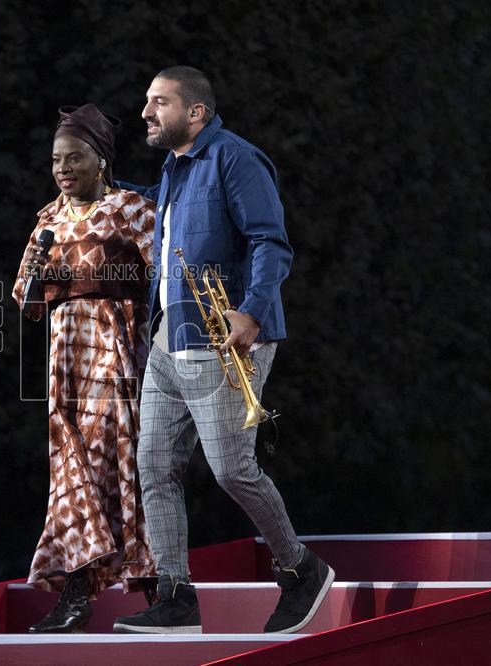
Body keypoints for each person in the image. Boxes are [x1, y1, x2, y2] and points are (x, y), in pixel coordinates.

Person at [112, 67, 334, 635]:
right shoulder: (174, 166)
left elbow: (270, 241)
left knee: (233, 470)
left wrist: (253, 310)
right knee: (154, 466)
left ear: (196, 113)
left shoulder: (238, 159)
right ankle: (176, 597)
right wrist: (107, 188)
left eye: (158, 102)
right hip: (170, 341)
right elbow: (162, 209)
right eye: (146, 102)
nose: (145, 112)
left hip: (225, 339)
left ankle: (300, 569)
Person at [12, 104, 157, 633]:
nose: (63, 168)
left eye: (74, 157)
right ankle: (75, 594)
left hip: (112, 349)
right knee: (70, 469)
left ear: (100, 160)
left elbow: (165, 275)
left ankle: (158, 588)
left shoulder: (131, 209)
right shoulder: (47, 220)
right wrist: (35, 272)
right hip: (62, 357)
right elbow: (26, 301)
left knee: (112, 460)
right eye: (56, 160)